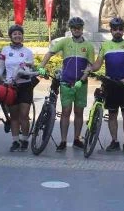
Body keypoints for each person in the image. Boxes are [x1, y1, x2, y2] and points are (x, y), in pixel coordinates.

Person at [39, 16, 95, 151]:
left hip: (81, 83)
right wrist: (41, 66)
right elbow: (50, 53)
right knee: (65, 112)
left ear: (82, 29)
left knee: (79, 112)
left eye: (79, 28)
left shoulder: (88, 46)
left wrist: (82, 79)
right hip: (66, 82)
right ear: (71, 29)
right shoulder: (65, 42)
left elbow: (90, 66)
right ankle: (63, 140)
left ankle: (76, 138)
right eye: (74, 28)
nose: (76, 30)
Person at [87, 16, 124, 155]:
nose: (118, 31)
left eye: (120, 29)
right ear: (111, 30)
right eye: (115, 29)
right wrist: (90, 69)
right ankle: (114, 141)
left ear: (123, 30)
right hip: (110, 84)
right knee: (112, 115)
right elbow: (98, 64)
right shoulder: (105, 45)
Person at [0, 24, 36, 152]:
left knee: (24, 115)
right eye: (15, 34)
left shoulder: (28, 52)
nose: (17, 36)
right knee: (14, 116)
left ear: (22, 36)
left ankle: (25, 139)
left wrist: (25, 68)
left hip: (25, 85)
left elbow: (30, 68)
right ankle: (15, 141)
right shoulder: (5, 50)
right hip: (10, 86)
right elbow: (1, 68)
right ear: (11, 36)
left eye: (19, 33)